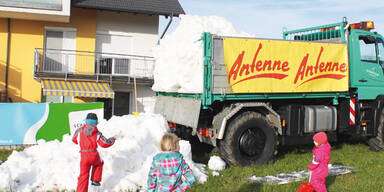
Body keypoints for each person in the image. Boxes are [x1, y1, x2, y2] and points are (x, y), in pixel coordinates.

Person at [72, 113, 116, 192]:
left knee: (83, 176)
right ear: (96, 123)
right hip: (93, 154)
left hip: (83, 155)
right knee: (99, 163)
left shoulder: (79, 131)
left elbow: (74, 140)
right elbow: (105, 143)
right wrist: (113, 139)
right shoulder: (97, 133)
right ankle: (95, 180)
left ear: (86, 121)